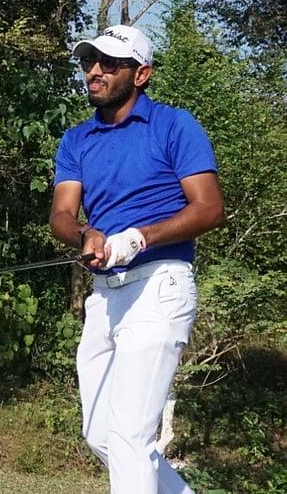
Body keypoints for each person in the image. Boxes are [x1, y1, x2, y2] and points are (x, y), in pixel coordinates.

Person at [49, 25, 225, 494]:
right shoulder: (76, 140)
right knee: (102, 434)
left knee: (129, 436)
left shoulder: (174, 125)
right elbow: (62, 215)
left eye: (109, 63)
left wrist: (141, 238)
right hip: (105, 296)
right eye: (89, 61)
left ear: (141, 74)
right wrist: (86, 233)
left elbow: (210, 208)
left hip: (159, 285)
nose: (95, 71)